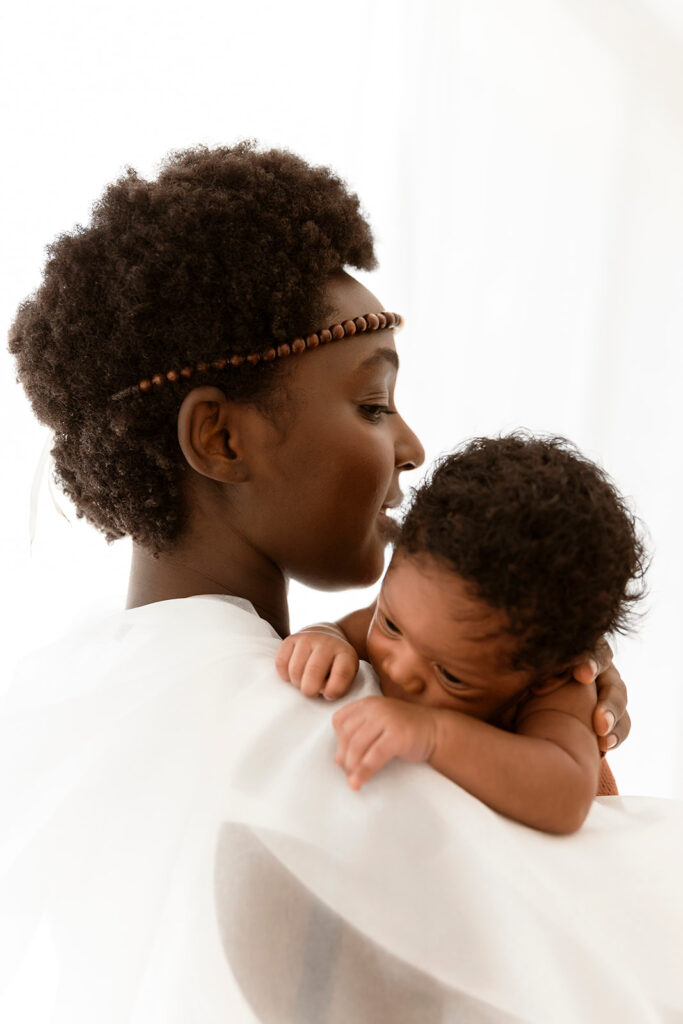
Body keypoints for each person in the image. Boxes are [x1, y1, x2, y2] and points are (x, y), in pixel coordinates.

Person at [3, 142, 682, 1023]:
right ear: (221, 440)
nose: (411, 447)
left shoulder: (137, 693)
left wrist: (527, 650)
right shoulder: (310, 738)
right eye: (372, 404)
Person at [276, 434, 646, 833]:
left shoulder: (561, 690)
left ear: (546, 674)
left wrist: (433, 734)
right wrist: (324, 636)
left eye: (450, 675)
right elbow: (345, 631)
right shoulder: (423, 615)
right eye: (391, 624)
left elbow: (567, 797)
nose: (399, 668)